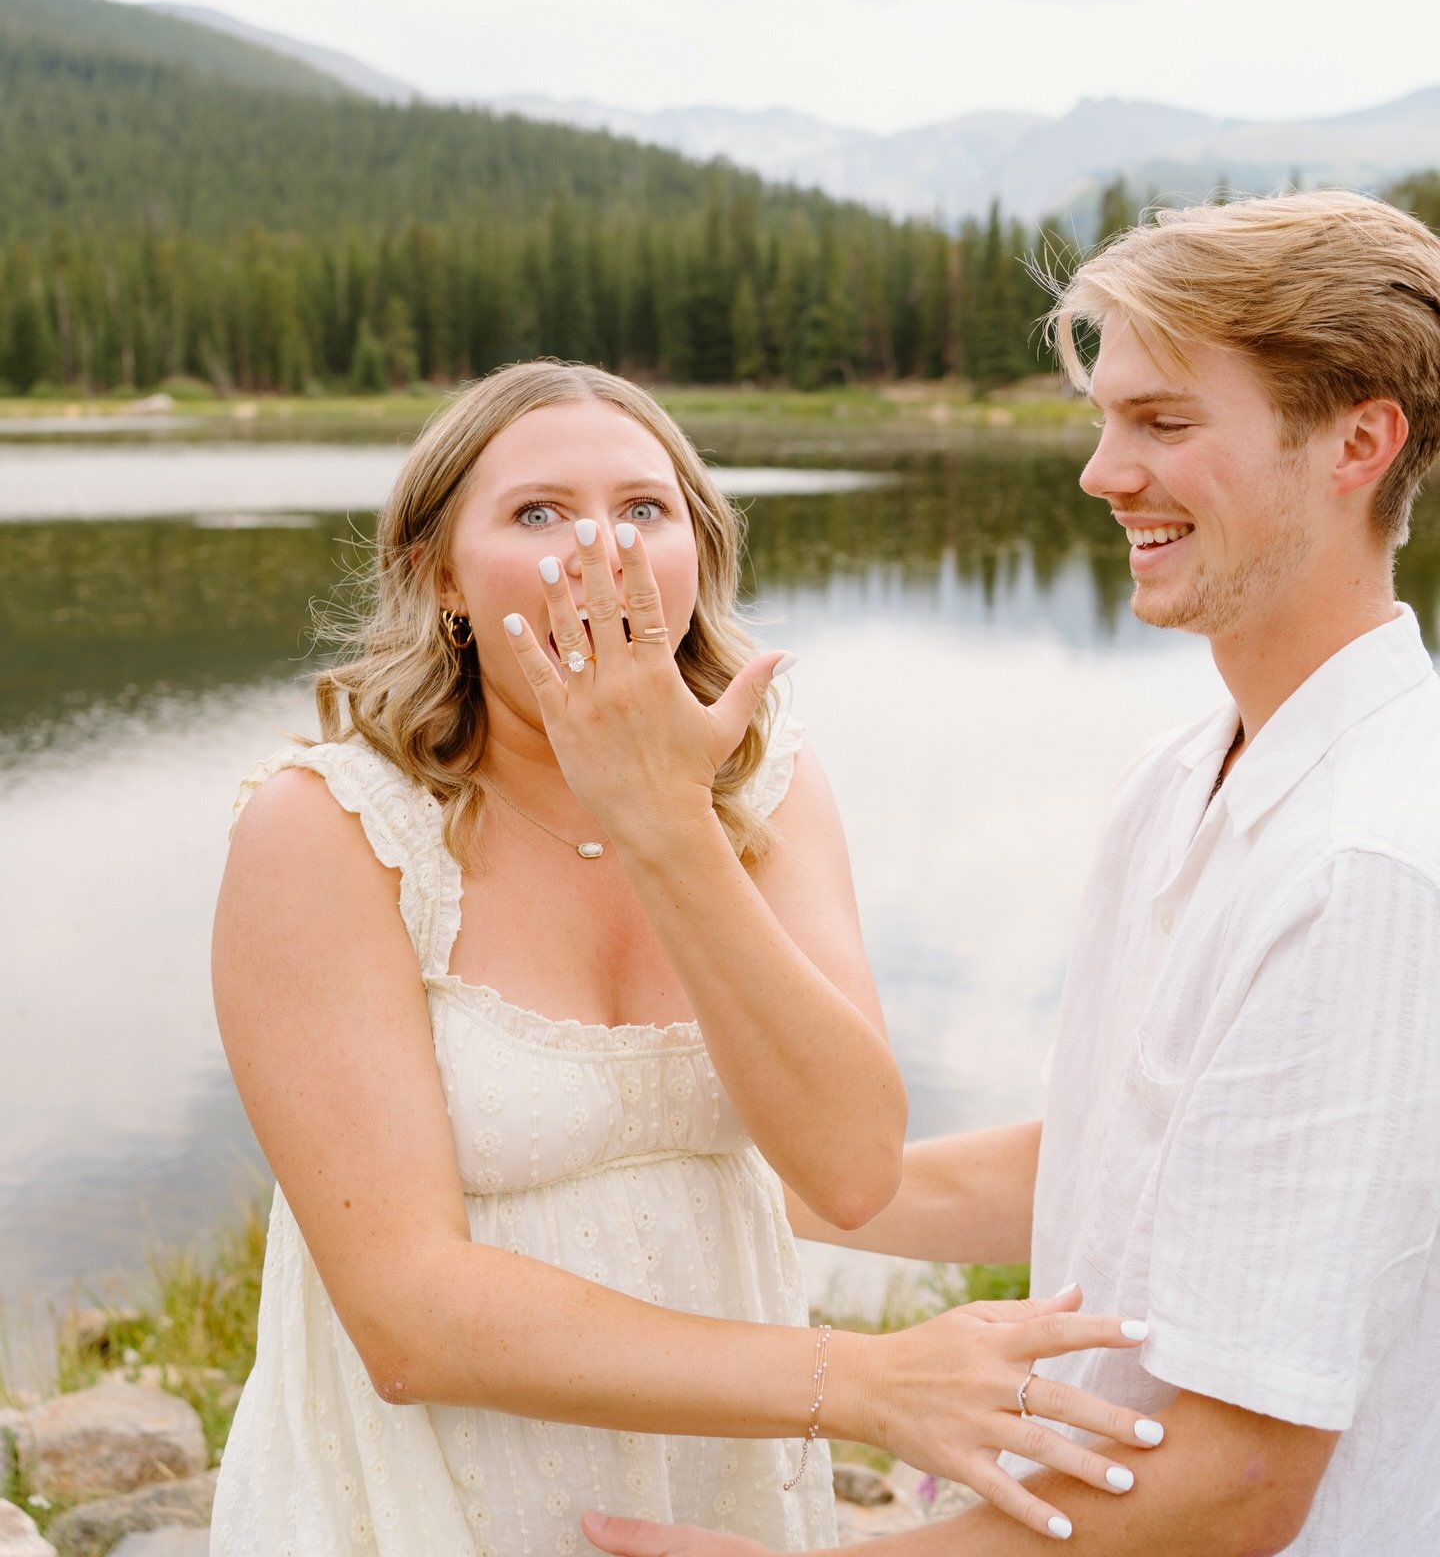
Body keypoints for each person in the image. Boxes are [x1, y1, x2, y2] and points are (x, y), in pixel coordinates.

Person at [582, 190, 1440, 1557]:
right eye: (1104, 418)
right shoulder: (1180, 780)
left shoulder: (1373, 865)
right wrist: (732, 1195)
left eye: (1164, 424)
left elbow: (1238, 1482)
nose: (1102, 474)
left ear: (1358, 442)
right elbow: (1124, 1161)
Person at [209, 361, 1156, 1556]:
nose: (597, 548)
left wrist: (669, 825)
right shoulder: (327, 830)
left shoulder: (771, 787)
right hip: (433, 1487)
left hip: (718, 1476)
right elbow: (411, 1322)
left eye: (643, 509)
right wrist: (859, 1382)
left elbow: (848, 1168)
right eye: (537, 512)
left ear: (695, 560)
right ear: (441, 573)